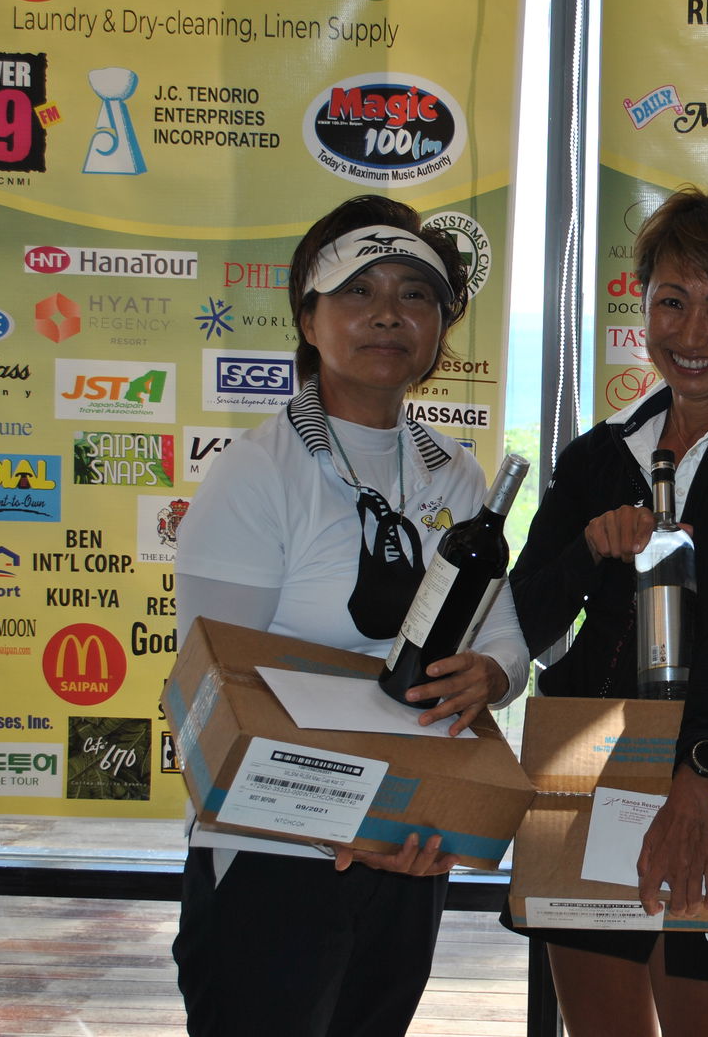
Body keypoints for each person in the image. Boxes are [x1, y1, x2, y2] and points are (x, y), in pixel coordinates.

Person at [171, 194, 529, 1037]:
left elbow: (503, 635)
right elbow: (210, 690)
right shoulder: (258, 475)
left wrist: (492, 672)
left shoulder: (456, 477)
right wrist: (337, 824)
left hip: (410, 842)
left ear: (441, 325)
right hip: (273, 853)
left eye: (415, 294)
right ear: (308, 315)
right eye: (358, 291)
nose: (388, 315)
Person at [506, 186, 708, 1036]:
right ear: (641, 304)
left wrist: (695, 786)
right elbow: (526, 625)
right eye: (672, 303)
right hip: (590, 763)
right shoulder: (597, 456)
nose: (690, 335)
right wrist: (589, 549)